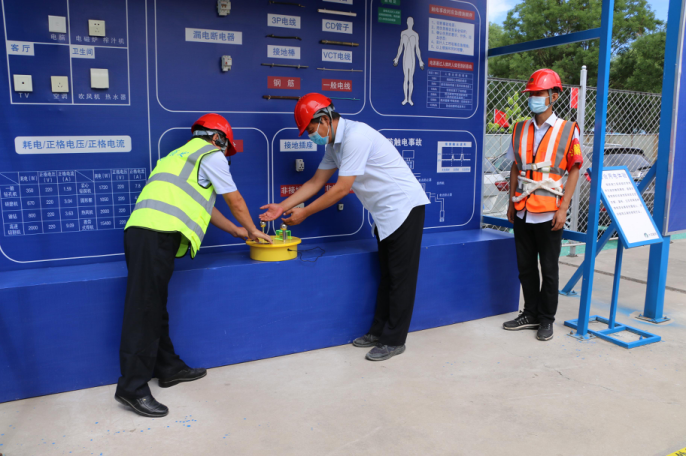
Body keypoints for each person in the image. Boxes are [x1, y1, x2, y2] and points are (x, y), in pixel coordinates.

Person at [115, 114, 272, 418]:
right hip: (154, 234)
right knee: (143, 310)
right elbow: (235, 200)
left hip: (148, 233)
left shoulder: (177, 157)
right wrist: (253, 229)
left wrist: (237, 231)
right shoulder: (211, 154)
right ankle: (131, 387)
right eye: (226, 147)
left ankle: (168, 367)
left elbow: (205, 207)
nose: (225, 154)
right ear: (218, 138)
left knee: (154, 305)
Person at [260, 93, 430, 361]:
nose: (311, 136)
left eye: (311, 129)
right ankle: (378, 331)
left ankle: (394, 340)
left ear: (325, 120)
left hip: (404, 208)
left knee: (401, 278)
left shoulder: (356, 137)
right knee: (388, 276)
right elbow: (316, 182)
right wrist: (282, 206)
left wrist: (305, 213)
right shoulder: (333, 146)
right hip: (384, 213)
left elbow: (341, 189)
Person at [502, 69, 584, 341]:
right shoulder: (519, 128)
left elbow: (575, 169)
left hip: (549, 211)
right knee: (525, 267)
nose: (534, 98)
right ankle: (530, 313)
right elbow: (516, 166)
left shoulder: (568, 129)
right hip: (522, 208)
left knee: (549, 269)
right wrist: (511, 201)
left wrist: (563, 208)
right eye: (532, 93)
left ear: (554, 96)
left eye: (539, 93)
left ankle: (546, 319)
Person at [393, 17, 425, 106]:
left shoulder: (415, 35)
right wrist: (397, 58)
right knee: (405, 78)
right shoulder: (403, 33)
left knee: (411, 79)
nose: (410, 23)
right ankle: (405, 98)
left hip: (412, 58)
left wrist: (420, 60)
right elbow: (400, 47)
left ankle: (409, 98)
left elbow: (417, 48)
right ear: (407, 22)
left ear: (413, 23)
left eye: (411, 22)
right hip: (405, 58)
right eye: (409, 21)